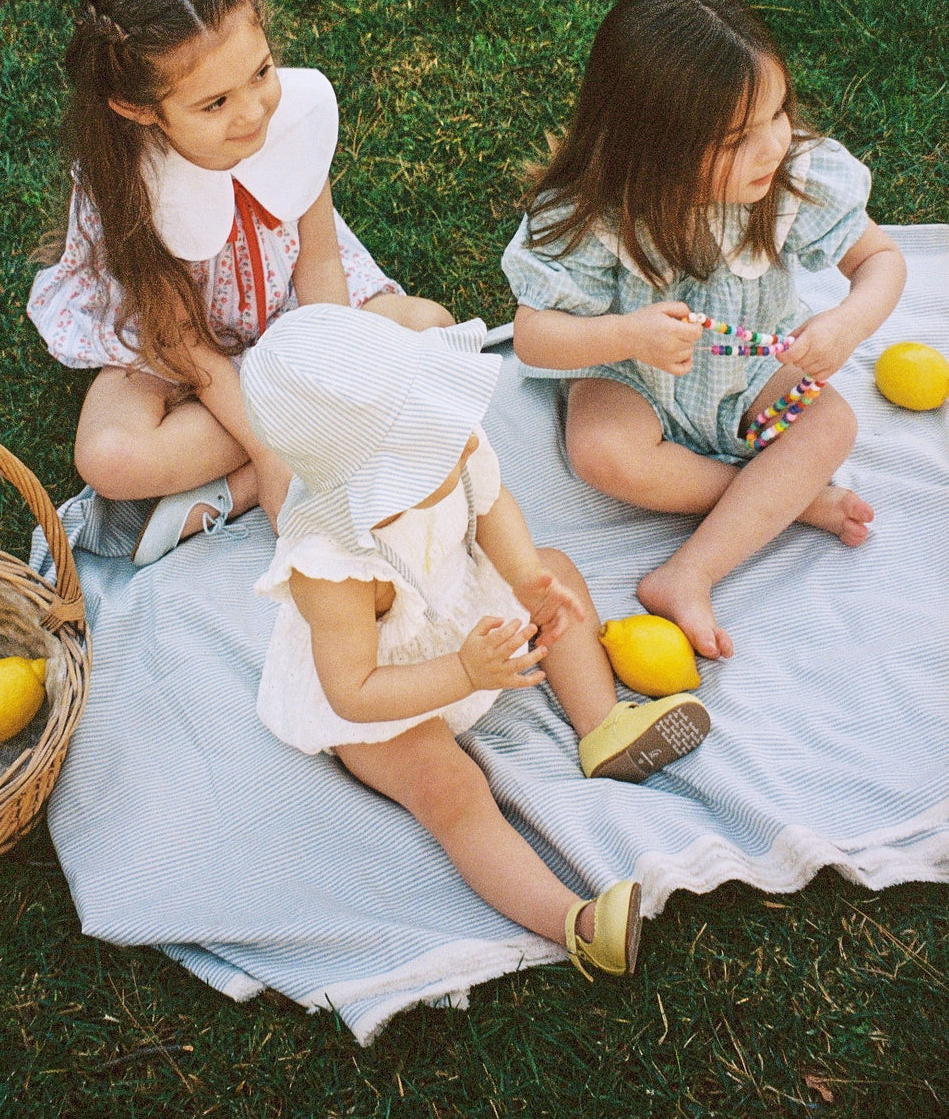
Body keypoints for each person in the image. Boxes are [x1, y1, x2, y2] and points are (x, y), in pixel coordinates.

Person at [239, 303, 711, 978]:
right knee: (449, 790)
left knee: (555, 575)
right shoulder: (332, 563)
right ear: (373, 479)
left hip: (459, 609)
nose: (460, 438)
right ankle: (573, 923)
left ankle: (603, 724)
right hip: (387, 694)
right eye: (429, 437)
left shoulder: (453, 443)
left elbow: (491, 506)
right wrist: (464, 674)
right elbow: (352, 691)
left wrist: (523, 577)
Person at [502, 0, 906, 660]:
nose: (774, 145)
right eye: (737, 138)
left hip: (751, 381)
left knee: (832, 423)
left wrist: (846, 325)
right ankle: (789, 500)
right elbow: (534, 339)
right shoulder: (601, 218)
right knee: (602, 452)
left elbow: (883, 261)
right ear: (653, 145)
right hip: (632, 381)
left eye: (778, 112)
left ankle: (690, 571)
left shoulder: (789, 180)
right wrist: (626, 335)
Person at [27, 0, 451, 563]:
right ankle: (253, 478)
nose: (253, 114)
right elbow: (182, 343)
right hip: (184, 345)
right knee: (109, 456)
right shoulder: (134, 187)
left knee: (430, 330)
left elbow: (319, 264)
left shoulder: (292, 121)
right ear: (142, 110)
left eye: (261, 72)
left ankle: (248, 470)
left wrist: (325, 376)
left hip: (288, 307)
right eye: (215, 102)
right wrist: (271, 452)